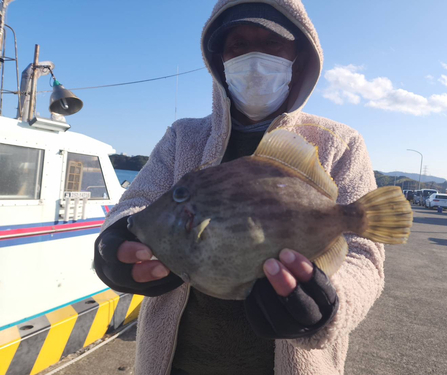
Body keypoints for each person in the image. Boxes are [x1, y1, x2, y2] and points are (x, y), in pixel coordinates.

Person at [94, 1, 385, 374]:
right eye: (238, 46)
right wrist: (115, 244)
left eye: (271, 44)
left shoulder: (339, 142)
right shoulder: (183, 136)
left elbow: (364, 255)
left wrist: (329, 303)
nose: (254, 57)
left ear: (298, 55)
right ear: (220, 61)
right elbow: (137, 204)